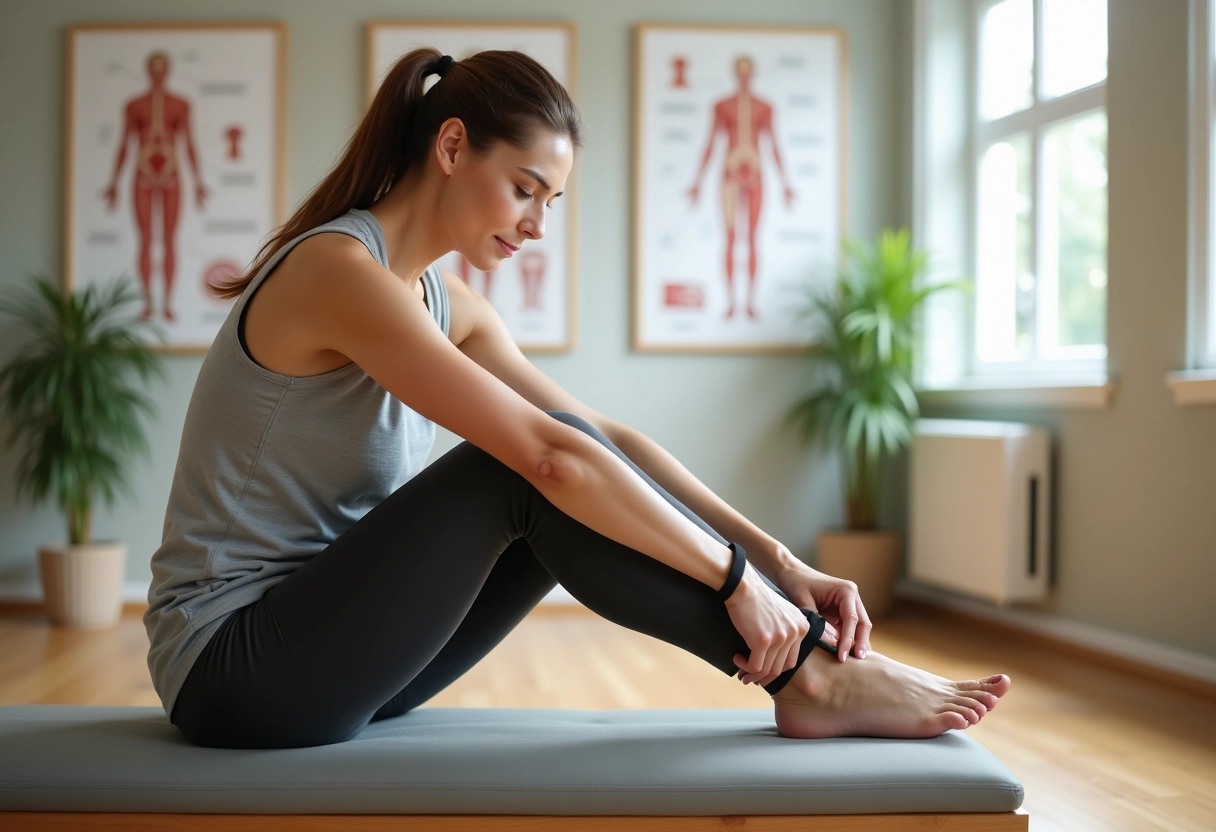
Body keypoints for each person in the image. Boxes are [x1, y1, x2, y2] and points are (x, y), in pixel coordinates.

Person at [144, 48, 1010, 750]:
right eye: (524, 189)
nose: (535, 225)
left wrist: (779, 561)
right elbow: (548, 459)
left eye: (550, 201)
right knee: (521, 470)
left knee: (565, 462)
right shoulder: (335, 272)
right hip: (233, 671)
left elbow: (604, 438)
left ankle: (810, 670)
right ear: (451, 148)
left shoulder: (449, 305)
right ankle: (810, 679)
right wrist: (735, 582)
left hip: (344, 659)